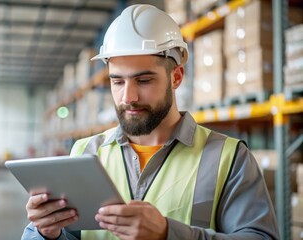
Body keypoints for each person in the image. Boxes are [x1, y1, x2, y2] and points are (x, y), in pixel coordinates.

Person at [22, 4, 279, 240]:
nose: (128, 97)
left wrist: (169, 234)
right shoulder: (85, 152)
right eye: (117, 81)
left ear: (176, 77)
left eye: (144, 81)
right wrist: (47, 233)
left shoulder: (228, 158)